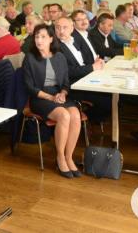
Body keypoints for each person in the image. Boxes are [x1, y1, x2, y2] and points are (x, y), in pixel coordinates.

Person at [22, 24, 84, 178]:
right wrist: (50, 97)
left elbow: (65, 83)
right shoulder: (30, 58)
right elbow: (30, 87)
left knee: (75, 115)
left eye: (43, 37)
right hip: (40, 98)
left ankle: (69, 157)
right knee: (64, 115)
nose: (39, 40)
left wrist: (63, 93)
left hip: (58, 95)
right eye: (36, 37)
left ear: (51, 39)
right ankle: (60, 157)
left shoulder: (60, 57)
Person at [54, 17, 108, 120]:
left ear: (72, 28)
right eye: (58, 28)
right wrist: (92, 67)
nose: (61, 31)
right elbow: (68, 71)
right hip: (72, 86)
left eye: (65, 27)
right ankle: (83, 121)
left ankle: (86, 120)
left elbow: (82, 62)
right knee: (107, 100)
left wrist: (94, 63)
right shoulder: (55, 47)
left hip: (85, 78)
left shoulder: (75, 41)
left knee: (113, 95)